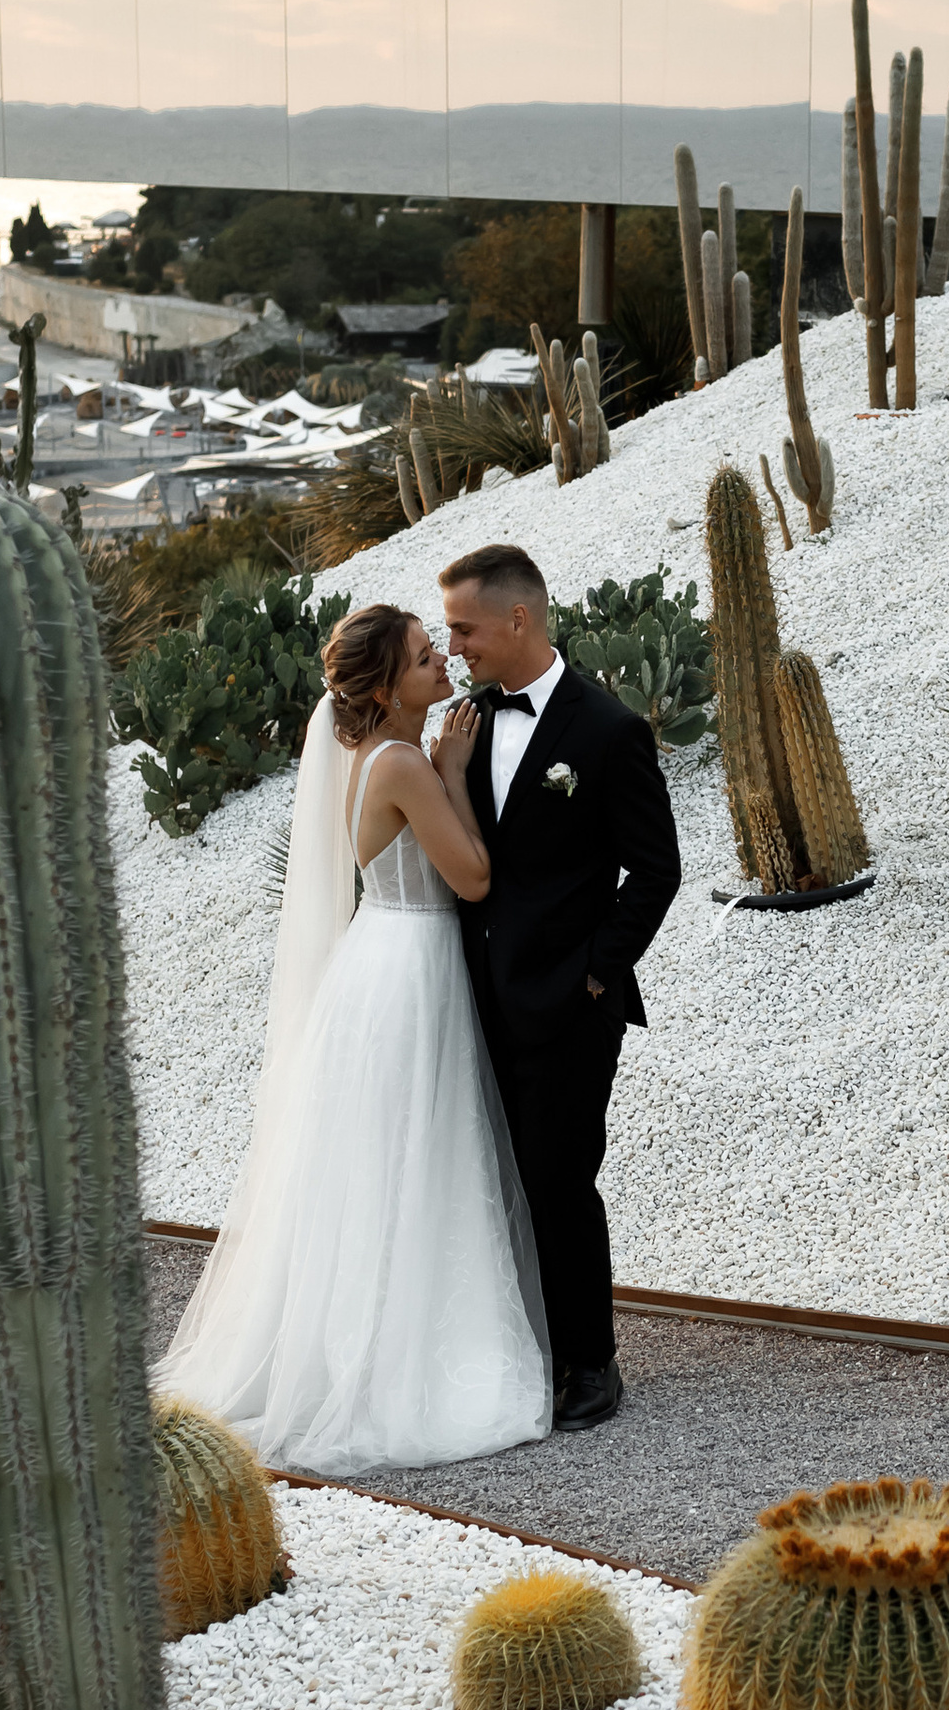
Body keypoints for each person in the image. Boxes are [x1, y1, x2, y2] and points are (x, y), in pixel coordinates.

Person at [154, 602, 553, 1474]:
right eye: (421, 660)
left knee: (390, 1163)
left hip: (388, 959)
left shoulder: (362, 753)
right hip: (408, 965)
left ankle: (371, 1342)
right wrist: (452, 770)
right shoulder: (404, 762)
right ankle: (399, 1366)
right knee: (417, 1155)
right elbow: (475, 879)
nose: (441, 663)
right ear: (383, 688)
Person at [440, 540, 682, 1432]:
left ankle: (592, 1363)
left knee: (560, 1178)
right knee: (500, 1177)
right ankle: (528, 1350)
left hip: (570, 1005)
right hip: (476, 996)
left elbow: (656, 872)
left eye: (464, 628)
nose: (454, 644)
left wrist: (596, 973)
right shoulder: (465, 723)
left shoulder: (607, 730)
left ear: (519, 619)